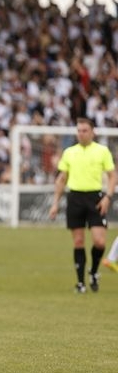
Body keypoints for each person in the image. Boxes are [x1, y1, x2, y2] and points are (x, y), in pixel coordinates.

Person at [49, 118, 116, 293]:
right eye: (78, 130)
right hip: (75, 198)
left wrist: (108, 197)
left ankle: (93, 271)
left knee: (99, 242)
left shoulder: (102, 151)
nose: (81, 134)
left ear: (92, 132)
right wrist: (55, 203)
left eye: (84, 130)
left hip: (95, 198)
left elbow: (112, 176)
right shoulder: (69, 152)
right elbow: (62, 179)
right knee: (78, 241)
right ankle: (80, 283)